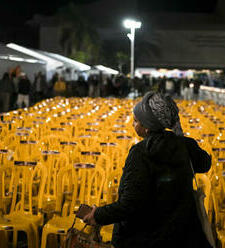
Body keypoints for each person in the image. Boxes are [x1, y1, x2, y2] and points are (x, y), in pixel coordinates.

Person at [82, 91, 212, 248]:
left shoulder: (140, 153)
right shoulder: (185, 146)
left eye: (136, 121)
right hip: (182, 236)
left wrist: (98, 215)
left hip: (145, 238)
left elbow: (130, 204)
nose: (133, 124)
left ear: (147, 127)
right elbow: (205, 163)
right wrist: (182, 139)